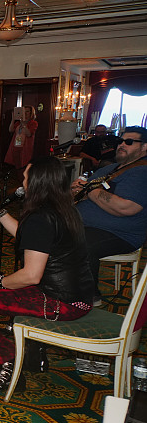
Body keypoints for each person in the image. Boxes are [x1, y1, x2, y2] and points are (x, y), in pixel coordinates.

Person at [0, 157, 93, 391]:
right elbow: (30, 237)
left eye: (26, 177)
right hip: (78, 298)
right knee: (6, 290)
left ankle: (6, 365)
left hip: (59, 302)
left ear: (38, 182)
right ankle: (28, 352)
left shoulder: (41, 217)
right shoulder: (65, 209)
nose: (22, 181)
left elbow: (31, 276)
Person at [73, 126, 147, 305]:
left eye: (129, 142)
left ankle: (90, 297)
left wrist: (89, 190)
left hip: (120, 233)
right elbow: (83, 192)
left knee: (77, 241)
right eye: (120, 141)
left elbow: (126, 208)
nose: (122, 145)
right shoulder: (110, 169)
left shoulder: (142, 173)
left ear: (144, 147)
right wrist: (74, 190)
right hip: (86, 224)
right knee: (44, 228)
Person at [4, 106, 38, 180]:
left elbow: (29, 134)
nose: (25, 113)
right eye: (24, 111)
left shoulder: (33, 123)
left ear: (31, 113)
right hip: (16, 146)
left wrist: (24, 124)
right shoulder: (18, 123)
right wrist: (13, 119)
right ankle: (19, 182)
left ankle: (24, 183)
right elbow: (11, 130)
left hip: (26, 148)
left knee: (25, 166)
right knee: (17, 167)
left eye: (27, 111)